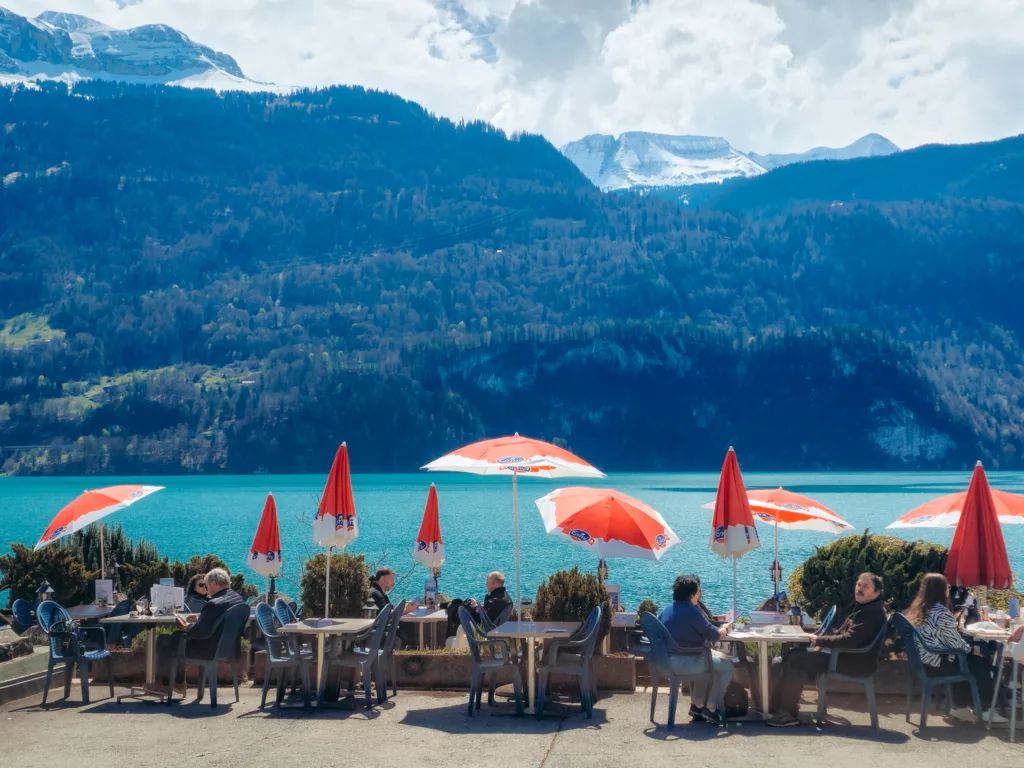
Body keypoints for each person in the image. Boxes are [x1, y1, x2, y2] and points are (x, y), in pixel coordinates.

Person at [767, 572, 887, 727]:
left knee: (797, 659)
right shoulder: (865, 607)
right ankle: (777, 708)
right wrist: (821, 641)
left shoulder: (873, 612)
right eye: (858, 584)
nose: (859, 589)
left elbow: (849, 640)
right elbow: (845, 635)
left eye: (865, 586)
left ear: (876, 592)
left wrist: (819, 640)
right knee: (793, 655)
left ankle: (788, 714)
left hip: (852, 661)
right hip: (844, 656)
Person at [906, 573, 1007, 724]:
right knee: (981, 664)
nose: (949, 590)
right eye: (946, 587)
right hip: (937, 664)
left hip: (923, 662)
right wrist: (971, 649)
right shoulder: (941, 612)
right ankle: (987, 710)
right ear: (941, 590)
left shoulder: (920, 610)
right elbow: (955, 643)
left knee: (967, 660)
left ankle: (961, 706)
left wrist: (968, 650)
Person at [148, 567, 243, 695]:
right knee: (177, 636)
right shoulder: (236, 599)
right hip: (228, 649)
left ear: (214, 583)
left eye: (207, 585)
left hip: (209, 650)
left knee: (164, 640)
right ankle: (178, 682)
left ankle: (163, 684)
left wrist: (187, 626)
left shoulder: (214, 603)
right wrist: (200, 617)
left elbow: (199, 632)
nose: (207, 589)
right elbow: (221, 617)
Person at [658, 574, 734, 726]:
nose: (700, 594)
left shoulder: (667, 610)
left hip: (665, 662)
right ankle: (711, 708)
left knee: (707, 658)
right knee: (727, 666)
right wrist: (726, 627)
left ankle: (697, 704)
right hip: (687, 662)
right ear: (691, 594)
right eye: (699, 591)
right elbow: (714, 636)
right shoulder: (692, 612)